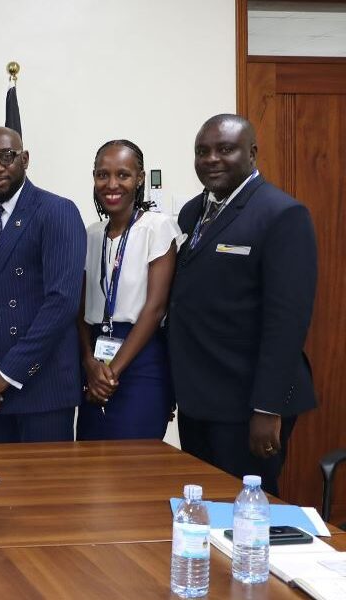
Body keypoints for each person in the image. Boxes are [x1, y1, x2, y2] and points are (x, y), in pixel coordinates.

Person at [169, 114, 317, 495]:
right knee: (205, 508)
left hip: (248, 403)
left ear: (252, 153)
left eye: (225, 149)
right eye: (202, 152)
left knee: (245, 517)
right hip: (200, 398)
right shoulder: (192, 212)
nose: (211, 159)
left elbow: (287, 321)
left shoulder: (281, 214)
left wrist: (267, 409)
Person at [0, 126, 86, 443]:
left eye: (6, 156)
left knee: (46, 492)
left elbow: (62, 303)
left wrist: (7, 374)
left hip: (42, 388)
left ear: (24, 159)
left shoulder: (57, 211)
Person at [75, 140, 181, 441]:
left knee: (135, 469)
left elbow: (155, 308)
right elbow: (80, 310)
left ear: (140, 179)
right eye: (102, 174)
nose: (112, 184)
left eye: (123, 175)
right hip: (96, 358)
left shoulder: (157, 228)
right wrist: (89, 364)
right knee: (91, 467)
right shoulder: (92, 233)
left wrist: (112, 373)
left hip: (140, 359)